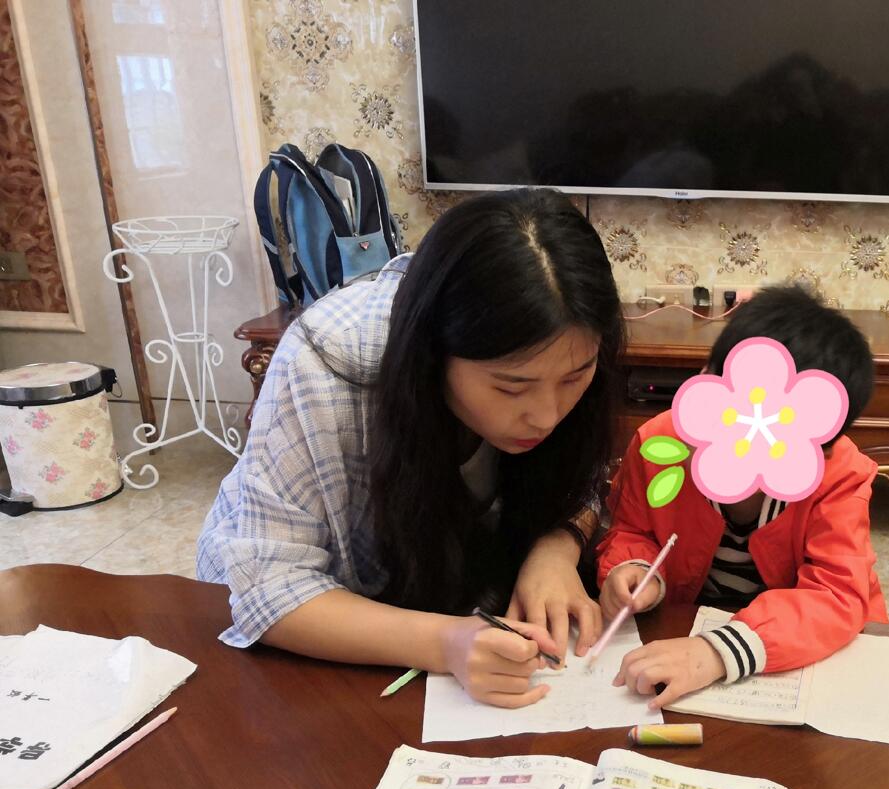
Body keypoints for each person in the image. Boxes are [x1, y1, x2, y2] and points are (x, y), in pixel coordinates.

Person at [197, 188, 622, 707]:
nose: (548, 416)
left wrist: (555, 547)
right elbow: (268, 588)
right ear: (432, 353)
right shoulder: (325, 363)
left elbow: (583, 477)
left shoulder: (573, 340)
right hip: (322, 641)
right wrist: (446, 643)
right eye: (512, 387)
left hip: (459, 602)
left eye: (575, 377)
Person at [598, 286, 887, 709]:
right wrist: (635, 570)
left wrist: (717, 652)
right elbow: (632, 530)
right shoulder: (659, 446)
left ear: (820, 444)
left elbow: (837, 594)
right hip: (683, 625)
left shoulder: (840, 474)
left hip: (798, 651)